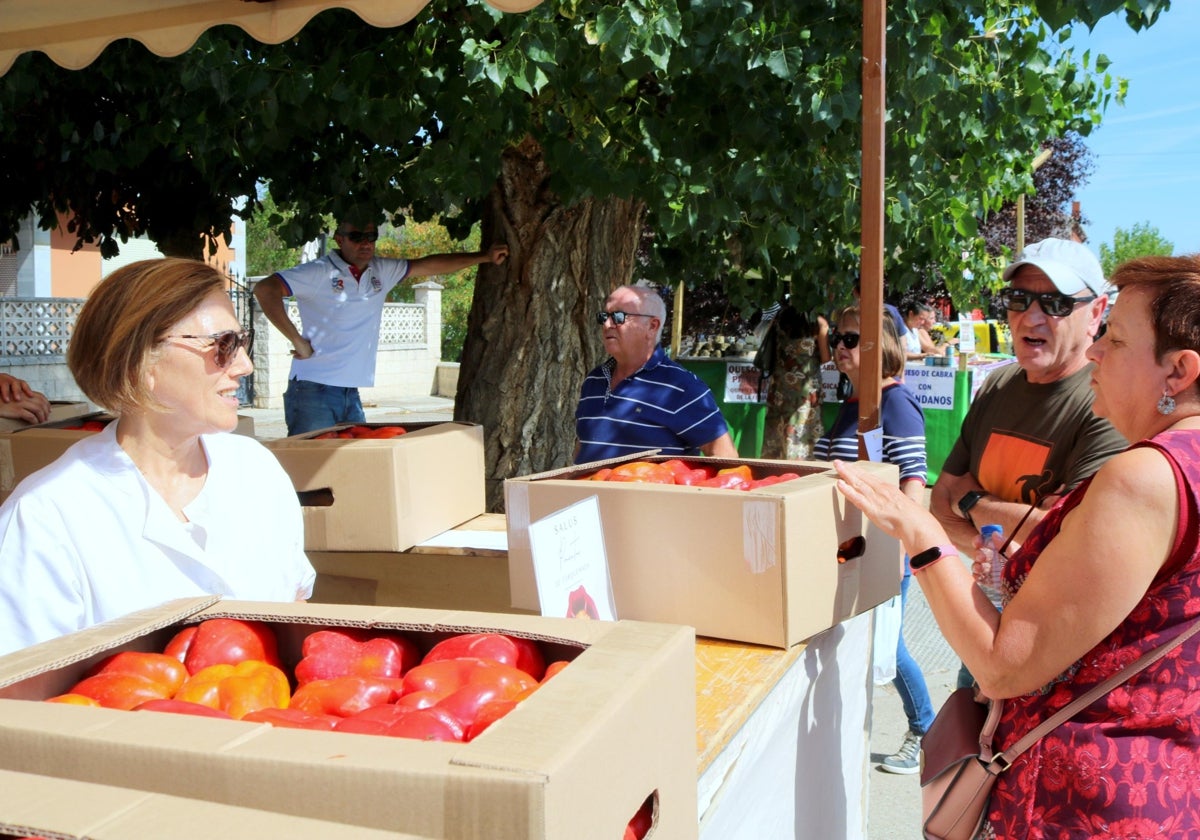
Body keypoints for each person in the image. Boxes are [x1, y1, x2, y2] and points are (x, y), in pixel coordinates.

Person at [834, 253, 1200, 835]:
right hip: (1152, 789)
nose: (1098, 352)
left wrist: (922, 534)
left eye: (1118, 340)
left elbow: (1005, 670)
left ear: (1178, 372)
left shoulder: (1145, 476)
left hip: (1080, 801)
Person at [0, 259, 316, 656]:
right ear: (139, 362)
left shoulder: (256, 469)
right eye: (222, 346)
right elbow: (20, 689)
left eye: (242, 341)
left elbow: (296, 606)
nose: (245, 365)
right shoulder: (46, 518)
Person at [933, 238, 1127, 688]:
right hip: (987, 609)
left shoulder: (1105, 402)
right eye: (1019, 299)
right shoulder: (999, 384)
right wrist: (1004, 552)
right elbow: (941, 503)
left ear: (1096, 313)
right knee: (966, 740)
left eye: (1055, 303)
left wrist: (975, 500)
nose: (1030, 317)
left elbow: (1067, 536)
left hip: (1055, 642)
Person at [254, 209, 509, 435]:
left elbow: (430, 265)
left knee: (354, 466)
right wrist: (297, 340)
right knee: (308, 471)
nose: (365, 243)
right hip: (313, 390)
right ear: (339, 239)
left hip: (350, 391)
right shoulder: (319, 272)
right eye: (356, 237)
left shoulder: (382, 270)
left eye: (371, 237)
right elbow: (266, 289)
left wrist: (484, 257)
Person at [813, 307, 933, 774]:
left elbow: (914, 482)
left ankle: (925, 728)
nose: (839, 346)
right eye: (837, 338)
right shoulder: (852, 404)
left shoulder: (895, 404)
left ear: (876, 345)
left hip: (881, 551)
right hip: (847, 550)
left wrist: (899, 548)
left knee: (889, 649)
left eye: (850, 338)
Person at [574, 285, 738, 463]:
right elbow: (584, 446)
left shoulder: (682, 387)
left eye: (618, 317)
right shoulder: (594, 380)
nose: (607, 324)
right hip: (589, 491)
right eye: (604, 317)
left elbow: (725, 458)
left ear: (652, 326)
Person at [760, 304, 830, 460]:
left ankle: (775, 464)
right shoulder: (819, 323)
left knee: (778, 427)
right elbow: (826, 357)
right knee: (804, 428)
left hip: (780, 386)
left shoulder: (779, 318)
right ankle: (801, 463)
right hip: (806, 387)